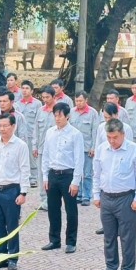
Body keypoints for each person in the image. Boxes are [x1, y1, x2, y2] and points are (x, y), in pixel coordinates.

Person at [93, 119, 136, 270]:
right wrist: (96, 195)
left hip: (126, 198)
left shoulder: (134, 150)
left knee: (127, 237)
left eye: (115, 137)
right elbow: (97, 174)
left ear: (123, 134)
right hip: (106, 197)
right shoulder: (102, 149)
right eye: (109, 137)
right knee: (109, 237)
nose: (112, 141)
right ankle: (111, 269)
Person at [0, 113, 30, 270]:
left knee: (12, 225)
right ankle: (1, 257)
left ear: (13, 126)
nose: (2, 129)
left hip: (12, 190)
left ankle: (12, 258)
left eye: (5, 126)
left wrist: (23, 192)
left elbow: (25, 170)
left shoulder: (20, 145)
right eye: (0, 126)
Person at [41, 102, 84, 253]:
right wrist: (45, 177)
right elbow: (46, 155)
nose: (57, 118)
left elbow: (79, 159)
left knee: (71, 210)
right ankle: (54, 240)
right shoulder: (50, 132)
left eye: (60, 116)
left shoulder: (75, 134)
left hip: (68, 175)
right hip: (53, 174)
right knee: (53, 209)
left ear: (67, 116)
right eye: (55, 115)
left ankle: (71, 241)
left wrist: (75, 181)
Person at [69, 91, 101, 206]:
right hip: (74, 148)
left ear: (86, 100)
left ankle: (87, 196)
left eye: (81, 101)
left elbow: (95, 131)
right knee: (76, 172)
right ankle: (78, 194)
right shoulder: (71, 112)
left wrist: (93, 147)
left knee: (87, 173)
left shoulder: (93, 113)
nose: (78, 103)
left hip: (87, 148)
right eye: (76, 101)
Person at [32, 86, 57, 211]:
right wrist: (34, 146)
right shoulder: (40, 110)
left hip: (55, 150)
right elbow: (36, 129)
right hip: (41, 148)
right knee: (41, 174)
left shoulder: (58, 110)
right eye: (43, 97)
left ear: (53, 97)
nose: (45, 100)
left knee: (52, 174)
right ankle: (43, 200)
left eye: (48, 97)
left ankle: (52, 199)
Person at [15, 80, 42, 188]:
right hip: (20, 135)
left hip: (31, 134)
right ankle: (21, 178)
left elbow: (38, 120)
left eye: (27, 88)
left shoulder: (37, 104)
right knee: (19, 156)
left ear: (32, 91)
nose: (24, 90)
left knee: (32, 157)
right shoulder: (17, 104)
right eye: (23, 88)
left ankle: (33, 178)